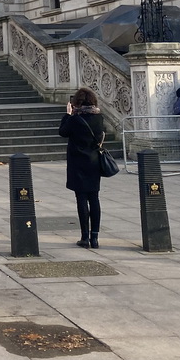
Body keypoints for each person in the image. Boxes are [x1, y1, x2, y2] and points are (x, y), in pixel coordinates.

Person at [58, 87, 105, 249]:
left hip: (78, 163)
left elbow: (62, 132)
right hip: (93, 162)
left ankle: (85, 236)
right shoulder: (98, 118)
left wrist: (68, 114)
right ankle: (95, 237)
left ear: (76, 103)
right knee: (95, 198)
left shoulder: (75, 120)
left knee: (81, 199)